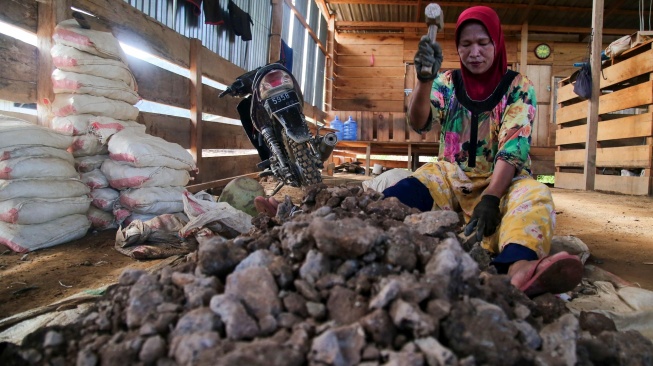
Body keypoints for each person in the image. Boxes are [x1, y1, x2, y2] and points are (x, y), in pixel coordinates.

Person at [381, 5, 583, 297]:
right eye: (465, 45)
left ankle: (518, 270)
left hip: (501, 183)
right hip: (454, 178)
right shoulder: (447, 83)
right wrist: (423, 81)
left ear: (496, 43)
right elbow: (419, 122)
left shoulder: (519, 86)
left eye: (482, 43)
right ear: (457, 48)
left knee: (535, 195)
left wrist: (490, 197)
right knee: (425, 176)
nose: (474, 52)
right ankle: (374, 232)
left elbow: (513, 148)